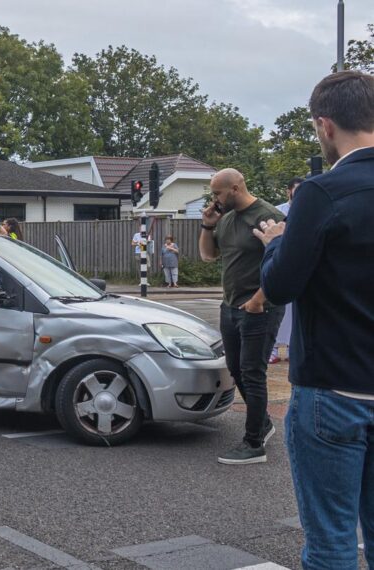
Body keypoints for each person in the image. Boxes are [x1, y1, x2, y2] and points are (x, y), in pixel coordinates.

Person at [253, 70, 374, 569]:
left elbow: (280, 286)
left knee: (331, 543)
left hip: (333, 392)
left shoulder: (321, 193)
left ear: (325, 126)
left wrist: (276, 242)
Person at [199, 168, 286, 465]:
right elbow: (209, 256)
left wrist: (258, 301)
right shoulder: (225, 220)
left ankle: (254, 444)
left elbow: (283, 265)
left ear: (235, 188)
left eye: (218, 193)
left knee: (253, 372)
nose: (215, 199)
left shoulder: (269, 216)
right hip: (230, 307)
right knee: (236, 369)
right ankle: (262, 424)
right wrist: (207, 226)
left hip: (260, 308)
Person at [269, 177, 303, 363]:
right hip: (280, 263)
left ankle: (291, 347)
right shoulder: (277, 211)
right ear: (288, 191)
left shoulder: (308, 209)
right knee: (277, 308)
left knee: (295, 312)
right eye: (295, 190)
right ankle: (273, 348)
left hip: (300, 266)